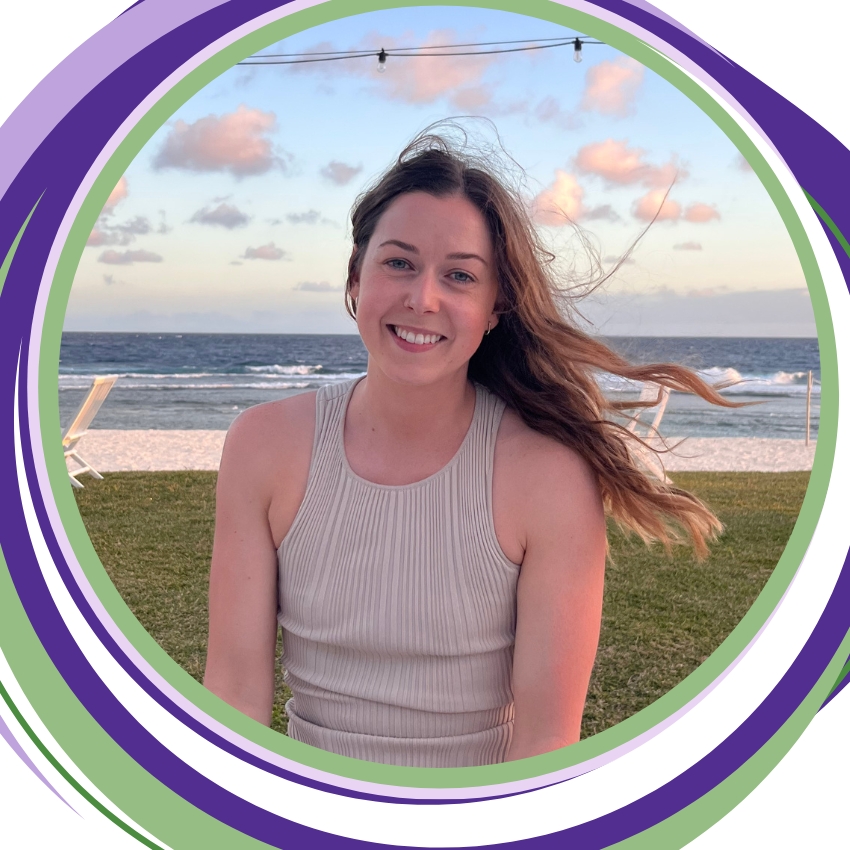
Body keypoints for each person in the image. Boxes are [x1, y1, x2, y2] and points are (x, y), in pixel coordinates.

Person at [203, 123, 732, 768]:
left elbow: (545, 744)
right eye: (399, 263)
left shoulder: (547, 475)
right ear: (356, 276)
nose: (422, 298)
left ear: (494, 307)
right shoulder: (263, 445)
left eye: (459, 276)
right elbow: (233, 695)